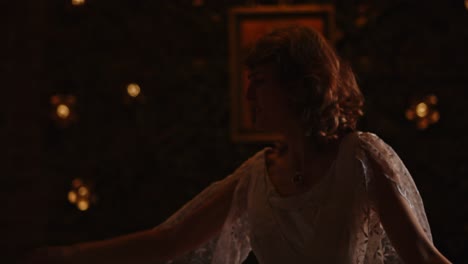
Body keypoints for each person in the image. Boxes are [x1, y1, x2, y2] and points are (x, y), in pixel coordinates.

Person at [25, 25, 451, 264]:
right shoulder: (256, 177)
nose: (248, 98)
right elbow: (167, 241)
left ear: (301, 88)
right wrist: (67, 255)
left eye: (260, 85)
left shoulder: (359, 159)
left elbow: (420, 256)